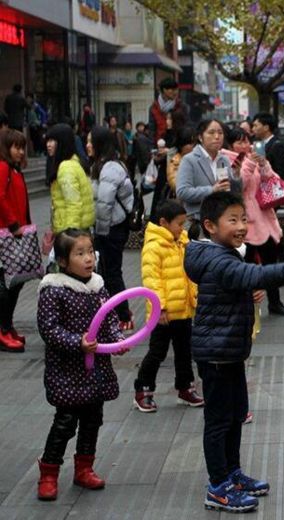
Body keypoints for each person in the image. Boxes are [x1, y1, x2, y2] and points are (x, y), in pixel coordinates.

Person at [184, 192, 284, 513]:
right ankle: (218, 486)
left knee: (236, 415)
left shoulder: (224, 253)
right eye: (233, 220)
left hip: (230, 352)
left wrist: (244, 295)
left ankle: (232, 473)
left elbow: (240, 284)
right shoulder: (218, 258)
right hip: (216, 355)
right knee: (219, 420)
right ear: (210, 226)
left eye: (243, 219)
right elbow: (252, 275)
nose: (242, 226)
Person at [36, 229, 125, 501]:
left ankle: (84, 468)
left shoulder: (97, 284)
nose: (88, 259)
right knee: (65, 422)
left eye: (90, 252)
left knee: (92, 420)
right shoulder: (53, 289)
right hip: (67, 370)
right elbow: (49, 329)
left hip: (95, 369)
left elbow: (107, 318)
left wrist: (117, 340)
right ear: (63, 261)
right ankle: (49, 473)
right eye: (79, 253)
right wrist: (78, 342)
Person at [134, 200, 202, 412]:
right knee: (157, 352)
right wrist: (159, 308)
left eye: (183, 224)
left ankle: (185, 387)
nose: (181, 228)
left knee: (184, 351)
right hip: (162, 314)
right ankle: (143, 389)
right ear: (164, 222)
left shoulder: (182, 241)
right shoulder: (153, 247)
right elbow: (152, 280)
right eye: (178, 224)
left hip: (183, 309)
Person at [224, 128, 284, 317]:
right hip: (244, 221)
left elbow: (271, 181)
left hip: (263, 219)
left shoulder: (251, 158)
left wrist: (264, 166)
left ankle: (275, 302)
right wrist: (251, 165)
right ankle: (246, 304)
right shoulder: (229, 160)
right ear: (230, 145)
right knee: (246, 265)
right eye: (240, 142)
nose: (245, 145)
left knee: (271, 263)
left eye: (247, 141)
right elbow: (238, 186)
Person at [89, 126, 135, 330]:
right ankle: (115, 313)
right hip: (111, 228)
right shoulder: (103, 165)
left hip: (111, 229)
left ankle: (123, 314)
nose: (87, 145)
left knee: (112, 273)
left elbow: (104, 205)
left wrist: (99, 232)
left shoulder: (109, 168)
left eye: (91, 141)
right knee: (108, 272)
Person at [176, 119, 240, 239]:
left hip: (221, 224)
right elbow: (182, 192)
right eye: (211, 133)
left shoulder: (224, 159)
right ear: (200, 137)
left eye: (220, 133)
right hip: (197, 224)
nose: (217, 137)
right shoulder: (189, 160)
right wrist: (212, 190)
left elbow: (232, 191)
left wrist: (237, 176)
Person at [0, 129, 30, 352]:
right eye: (16, 147)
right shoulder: (3, 168)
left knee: (16, 284)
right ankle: (2, 330)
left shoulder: (15, 171)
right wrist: (13, 224)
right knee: (6, 286)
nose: (20, 152)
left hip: (17, 236)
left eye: (22, 147)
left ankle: (7, 326)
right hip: (5, 236)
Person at [46, 124, 95, 234]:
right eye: (47, 141)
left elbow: (74, 204)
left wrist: (71, 235)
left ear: (63, 142)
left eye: (52, 141)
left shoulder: (66, 167)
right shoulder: (73, 162)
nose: (48, 145)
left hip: (69, 229)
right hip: (75, 227)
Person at [251, 113, 284, 184]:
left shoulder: (277, 146)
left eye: (256, 126)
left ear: (266, 127)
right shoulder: (259, 144)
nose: (253, 129)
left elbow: (280, 173)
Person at [149, 78, 185, 142]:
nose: (176, 92)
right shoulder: (154, 108)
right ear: (164, 90)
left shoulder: (181, 106)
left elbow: (187, 126)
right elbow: (152, 130)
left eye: (176, 89)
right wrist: (152, 147)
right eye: (173, 89)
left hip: (178, 143)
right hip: (160, 144)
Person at [166, 126, 197, 195]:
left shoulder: (200, 157)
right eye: (190, 143)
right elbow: (176, 184)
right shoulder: (175, 161)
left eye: (195, 142)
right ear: (181, 145)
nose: (194, 146)